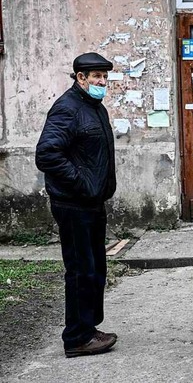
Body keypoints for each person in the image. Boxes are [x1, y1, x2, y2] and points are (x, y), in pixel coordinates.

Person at [35, 52, 118, 358]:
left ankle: (88, 328)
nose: (102, 82)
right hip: (74, 204)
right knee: (81, 270)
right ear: (80, 78)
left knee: (95, 269)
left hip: (92, 203)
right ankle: (76, 338)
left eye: (105, 77)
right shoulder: (67, 109)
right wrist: (82, 182)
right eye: (97, 77)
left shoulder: (94, 107)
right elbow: (46, 154)